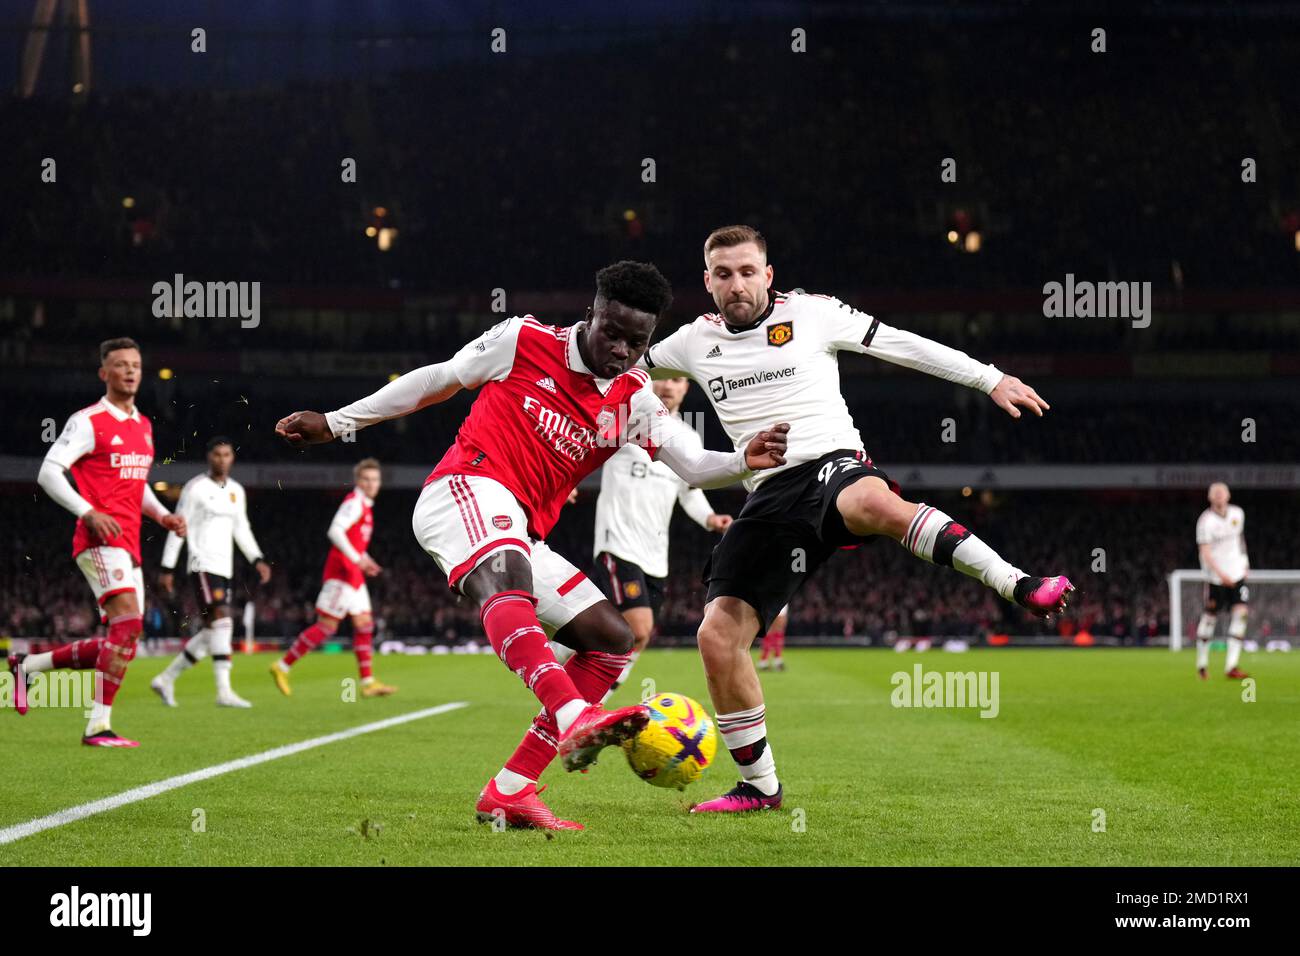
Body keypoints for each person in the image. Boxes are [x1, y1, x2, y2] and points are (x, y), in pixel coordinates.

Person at [275, 260, 788, 830]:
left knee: (612, 641)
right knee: (509, 570)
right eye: (611, 332)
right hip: (464, 488)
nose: (620, 350)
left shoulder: (633, 399)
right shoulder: (523, 339)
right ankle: (573, 716)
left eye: (635, 342)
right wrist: (339, 422)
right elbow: (438, 380)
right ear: (590, 313)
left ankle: (511, 790)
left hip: (519, 530)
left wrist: (743, 459)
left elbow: (690, 465)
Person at [640, 225, 1073, 812]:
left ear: (768, 276)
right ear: (708, 283)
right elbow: (616, 365)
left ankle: (1017, 584)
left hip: (831, 464)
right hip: (766, 492)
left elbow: (900, 343)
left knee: (872, 504)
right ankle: (760, 788)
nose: (736, 284)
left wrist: (988, 377)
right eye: (723, 274)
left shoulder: (814, 314)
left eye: (747, 272)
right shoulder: (690, 343)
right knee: (717, 637)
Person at [11, 337, 186, 747]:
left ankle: (28, 665)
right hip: (98, 539)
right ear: (103, 373)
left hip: (130, 542)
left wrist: (162, 515)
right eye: (120, 365)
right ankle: (98, 726)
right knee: (128, 626)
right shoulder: (88, 420)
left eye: (135, 365)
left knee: (122, 639)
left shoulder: (142, 426)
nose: (129, 371)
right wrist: (87, 511)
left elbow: (137, 485)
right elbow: (49, 473)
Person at [586, 374, 732, 698]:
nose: (667, 386)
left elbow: (689, 492)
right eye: (661, 379)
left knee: (629, 634)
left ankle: (564, 662)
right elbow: (585, 447)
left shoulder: (689, 437)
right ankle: (587, 708)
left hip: (655, 555)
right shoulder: (624, 420)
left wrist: (710, 518)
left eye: (676, 380)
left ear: (686, 387)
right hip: (617, 540)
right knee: (639, 628)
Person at [151, 436, 271, 708]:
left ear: (232, 458)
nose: (222, 459)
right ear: (209, 457)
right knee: (223, 621)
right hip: (201, 563)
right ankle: (224, 692)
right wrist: (167, 567)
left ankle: (166, 679)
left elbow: (242, 529)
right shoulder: (195, 489)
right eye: (217, 454)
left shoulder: (236, 491)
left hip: (224, 566)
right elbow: (178, 527)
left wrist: (257, 559)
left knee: (212, 631)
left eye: (227, 454)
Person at [270, 458, 396, 698]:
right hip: (341, 574)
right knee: (326, 627)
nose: (371, 484)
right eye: (366, 479)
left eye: (375, 480)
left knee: (364, 625)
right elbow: (335, 531)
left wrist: (365, 560)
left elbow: (353, 540)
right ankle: (281, 666)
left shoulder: (365, 506)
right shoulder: (355, 503)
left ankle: (368, 682)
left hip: (354, 574)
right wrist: (357, 559)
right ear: (359, 481)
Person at [1194, 482, 1250, 680]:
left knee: (1241, 615)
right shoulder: (1205, 521)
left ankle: (1231, 665)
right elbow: (1205, 552)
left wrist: (1245, 562)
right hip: (1216, 578)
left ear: (1228, 495)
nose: (1219, 495)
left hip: (1236, 573)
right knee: (1210, 618)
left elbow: (1240, 539)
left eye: (1222, 492)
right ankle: (1201, 664)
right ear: (1210, 497)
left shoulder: (1237, 513)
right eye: (1215, 493)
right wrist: (1221, 574)